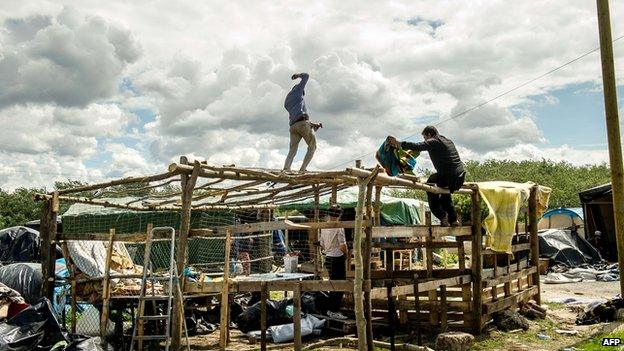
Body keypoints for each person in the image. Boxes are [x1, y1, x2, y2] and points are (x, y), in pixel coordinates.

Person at [388, 126, 465, 226]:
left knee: (430, 187)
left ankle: (442, 216)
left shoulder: (434, 141)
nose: (425, 140)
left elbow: (418, 146)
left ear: (429, 135)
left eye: (425, 138)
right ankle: (453, 219)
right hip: (459, 177)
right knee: (445, 194)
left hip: (448, 176)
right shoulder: (448, 141)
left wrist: (399, 143)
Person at [283, 72, 322, 172]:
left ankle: (286, 169)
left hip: (293, 127)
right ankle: (303, 168)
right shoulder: (298, 91)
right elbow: (306, 76)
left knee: (292, 150)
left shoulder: (287, 102)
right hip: (302, 124)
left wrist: (313, 125)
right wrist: (298, 75)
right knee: (312, 146)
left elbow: (298, 117)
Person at [319, 205, 348, 320]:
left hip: (328, 257)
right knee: (340, 285)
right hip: (337, 257)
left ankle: (331, 309)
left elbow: (321, 243)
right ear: (339, 215)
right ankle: (334, 310)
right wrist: (346, 254)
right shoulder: (339, 226)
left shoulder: (324, 226)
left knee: (332, 284)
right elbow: (342, 245)